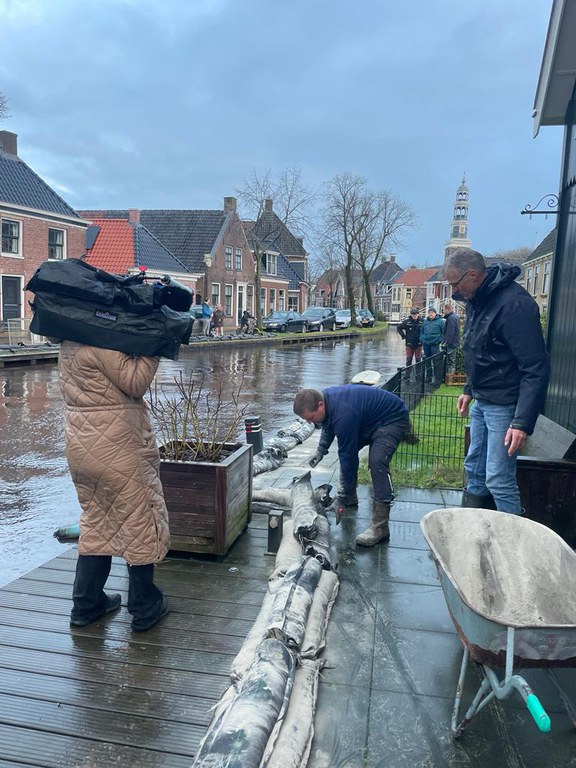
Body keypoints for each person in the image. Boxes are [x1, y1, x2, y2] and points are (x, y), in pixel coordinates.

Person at [58, 341, 170, 632]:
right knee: (140, 523)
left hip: (81, 443)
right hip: (118, 445)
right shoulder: (101, 338)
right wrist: (154, 345)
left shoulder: (68, 341)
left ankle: (86, 605)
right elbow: (134, 382)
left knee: (96, 521)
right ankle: (145, 607)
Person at [444, 248, 549, 514]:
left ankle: (511, 544)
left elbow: (535, 367)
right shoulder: (478, 298)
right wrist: (469, 389)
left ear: (473, 275)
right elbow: (478, 349)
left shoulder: (514, 305)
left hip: (506, 405)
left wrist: (522, 422)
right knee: (474, 470)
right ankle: (474, 527)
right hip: (483, 399)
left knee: (499, 479)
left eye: (455, 284)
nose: (454, 291)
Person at [293, 385, 409, 547]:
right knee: (349, 451)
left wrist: (340, 497)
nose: (310, 422)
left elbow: (348, 456)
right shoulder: (325, 402)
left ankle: (380, 526)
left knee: (377, 461)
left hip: (392, 418)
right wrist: (321, 450)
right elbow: (328, 425)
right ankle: (349, 497)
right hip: (370, 420)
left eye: (311, 418)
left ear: (320, 405)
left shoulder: (343, 413)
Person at [420, 306, 444, 383]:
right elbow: (422, 331)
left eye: (432, 313)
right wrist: (422, 339)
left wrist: (438, 341)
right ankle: (428, 378)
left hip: (435, 344)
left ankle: (437, 378)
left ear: (435, 313)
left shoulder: (441, 322)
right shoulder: (425, 322)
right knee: (427, 361)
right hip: (426, 344)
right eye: (429, 313)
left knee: (435, 361)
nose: (430, 314)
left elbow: (443, 333)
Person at [441, 302, 460, 374]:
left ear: (446, 309)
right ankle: (450, 378)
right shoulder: (455, 317)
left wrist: (446, 343)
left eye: (443, 310)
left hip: (451, 344)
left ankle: (450, 378)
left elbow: (450, 332)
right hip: (454, 342)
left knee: (450, 362)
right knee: (452, 361)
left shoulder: (451, 318)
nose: (443, 311)